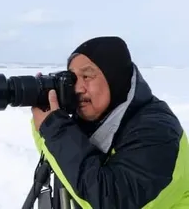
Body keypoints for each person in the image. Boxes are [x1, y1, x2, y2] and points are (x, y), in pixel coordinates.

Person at [30, 36, 189, 209]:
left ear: (115, 78)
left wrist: (56, 130)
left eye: (87, 76)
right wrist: (49, 121)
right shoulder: (89, 121)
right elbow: (66, 163)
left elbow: (112, 201)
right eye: (73, 79)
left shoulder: (158, 130)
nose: (77, 88)